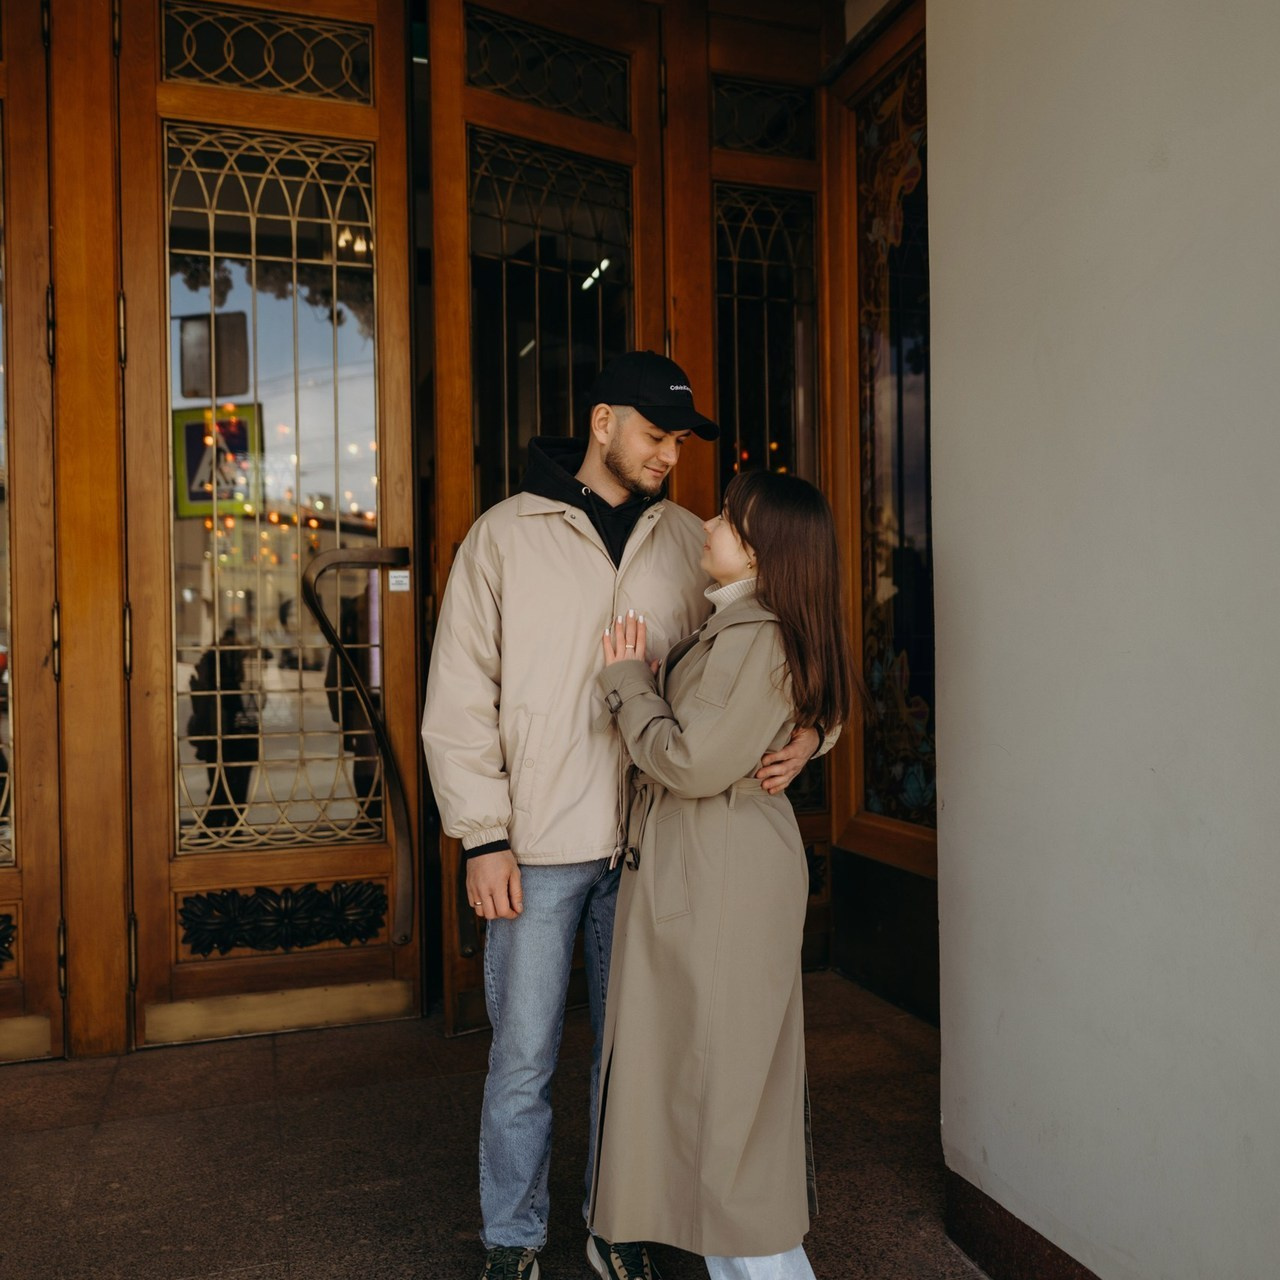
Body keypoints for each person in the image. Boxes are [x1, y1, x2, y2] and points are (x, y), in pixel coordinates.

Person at [420, 351, 820, 1280]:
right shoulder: (503, 538)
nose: (670, 456)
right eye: (655, 435)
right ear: (602, 422)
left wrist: (815, 738)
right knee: (521, 1062)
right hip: (541, 846)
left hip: (656, 853)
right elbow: (458, 700)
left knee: (633, 1065)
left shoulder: (693, 541)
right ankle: (513, 1241)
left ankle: (616, 1228)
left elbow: (782, 653)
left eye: (680, 441)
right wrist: (483, 836)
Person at [590, 470, 855, 1280]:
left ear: (761, 550)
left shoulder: (752, 635)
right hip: (715, 872)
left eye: (729, 518)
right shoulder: (746, 626)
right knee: (721, 1097)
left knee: (727, 1103)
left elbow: (693, 759)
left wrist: (628, 681)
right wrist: (813, 732)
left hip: (720, 881)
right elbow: (802, 706)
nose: (707, 524)